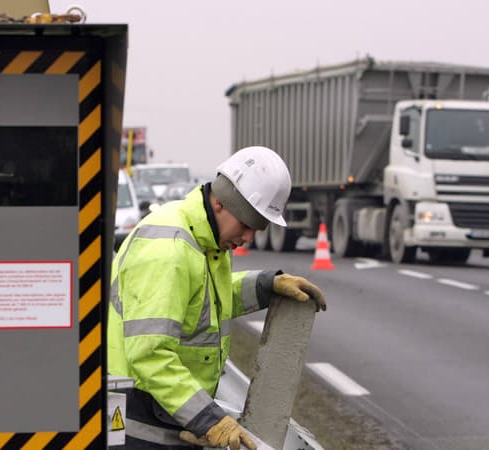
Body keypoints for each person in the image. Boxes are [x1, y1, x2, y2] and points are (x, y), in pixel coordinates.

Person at [107, 146, 327, 450]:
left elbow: (202, 302)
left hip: (167, 412)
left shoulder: (208, 241)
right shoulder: (168, 250)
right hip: (139, 424)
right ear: (222, 203)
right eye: (247, 225)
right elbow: (149, 354)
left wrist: (266, 285)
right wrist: (209, 420)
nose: (249, 238)